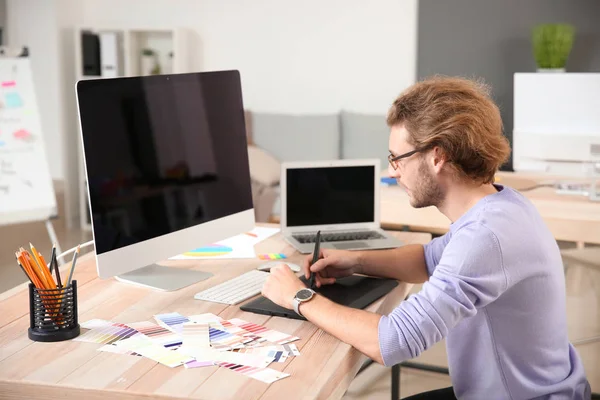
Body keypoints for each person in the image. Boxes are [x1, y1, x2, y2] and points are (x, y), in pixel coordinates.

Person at [261, 76, 591, 399]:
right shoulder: (501, 205)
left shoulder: (485, 237)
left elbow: (393, 340)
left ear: (437, 156)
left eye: (397, 158)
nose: (392, 171)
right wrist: (355, 261)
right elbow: (428, 260)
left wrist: (298, 297)